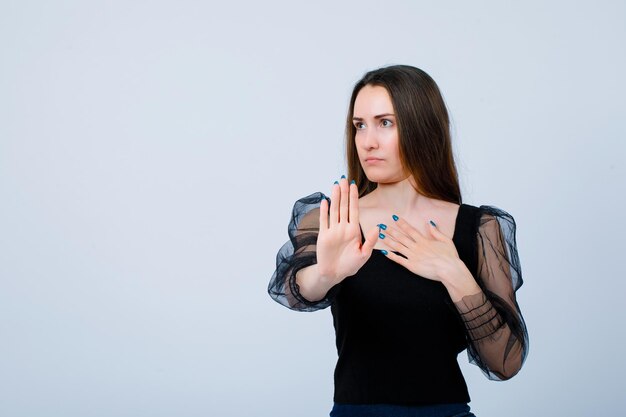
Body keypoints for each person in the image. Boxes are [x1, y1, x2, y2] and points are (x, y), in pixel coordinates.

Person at [268, 65, 529, 417]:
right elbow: (295, 290)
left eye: (385, 123)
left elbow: (506, 362)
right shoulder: (334, 219)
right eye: (359, 125)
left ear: (422, 127)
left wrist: (454, 272)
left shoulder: (479, 228)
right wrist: (327, 274)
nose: (367, 141)